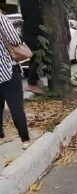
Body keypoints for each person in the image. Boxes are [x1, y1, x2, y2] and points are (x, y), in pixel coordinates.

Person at [0, 13, 31, 149]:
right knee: (16, 107)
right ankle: (25, 140)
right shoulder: (0, 18)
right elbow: (14, 39)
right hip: (7, 70)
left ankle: (0, 137)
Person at [20, 0, 44, 94]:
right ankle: (31, 84)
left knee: (34, 57)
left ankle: (35, 81)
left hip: (28, 30)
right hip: (33, 31)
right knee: (39, 56)